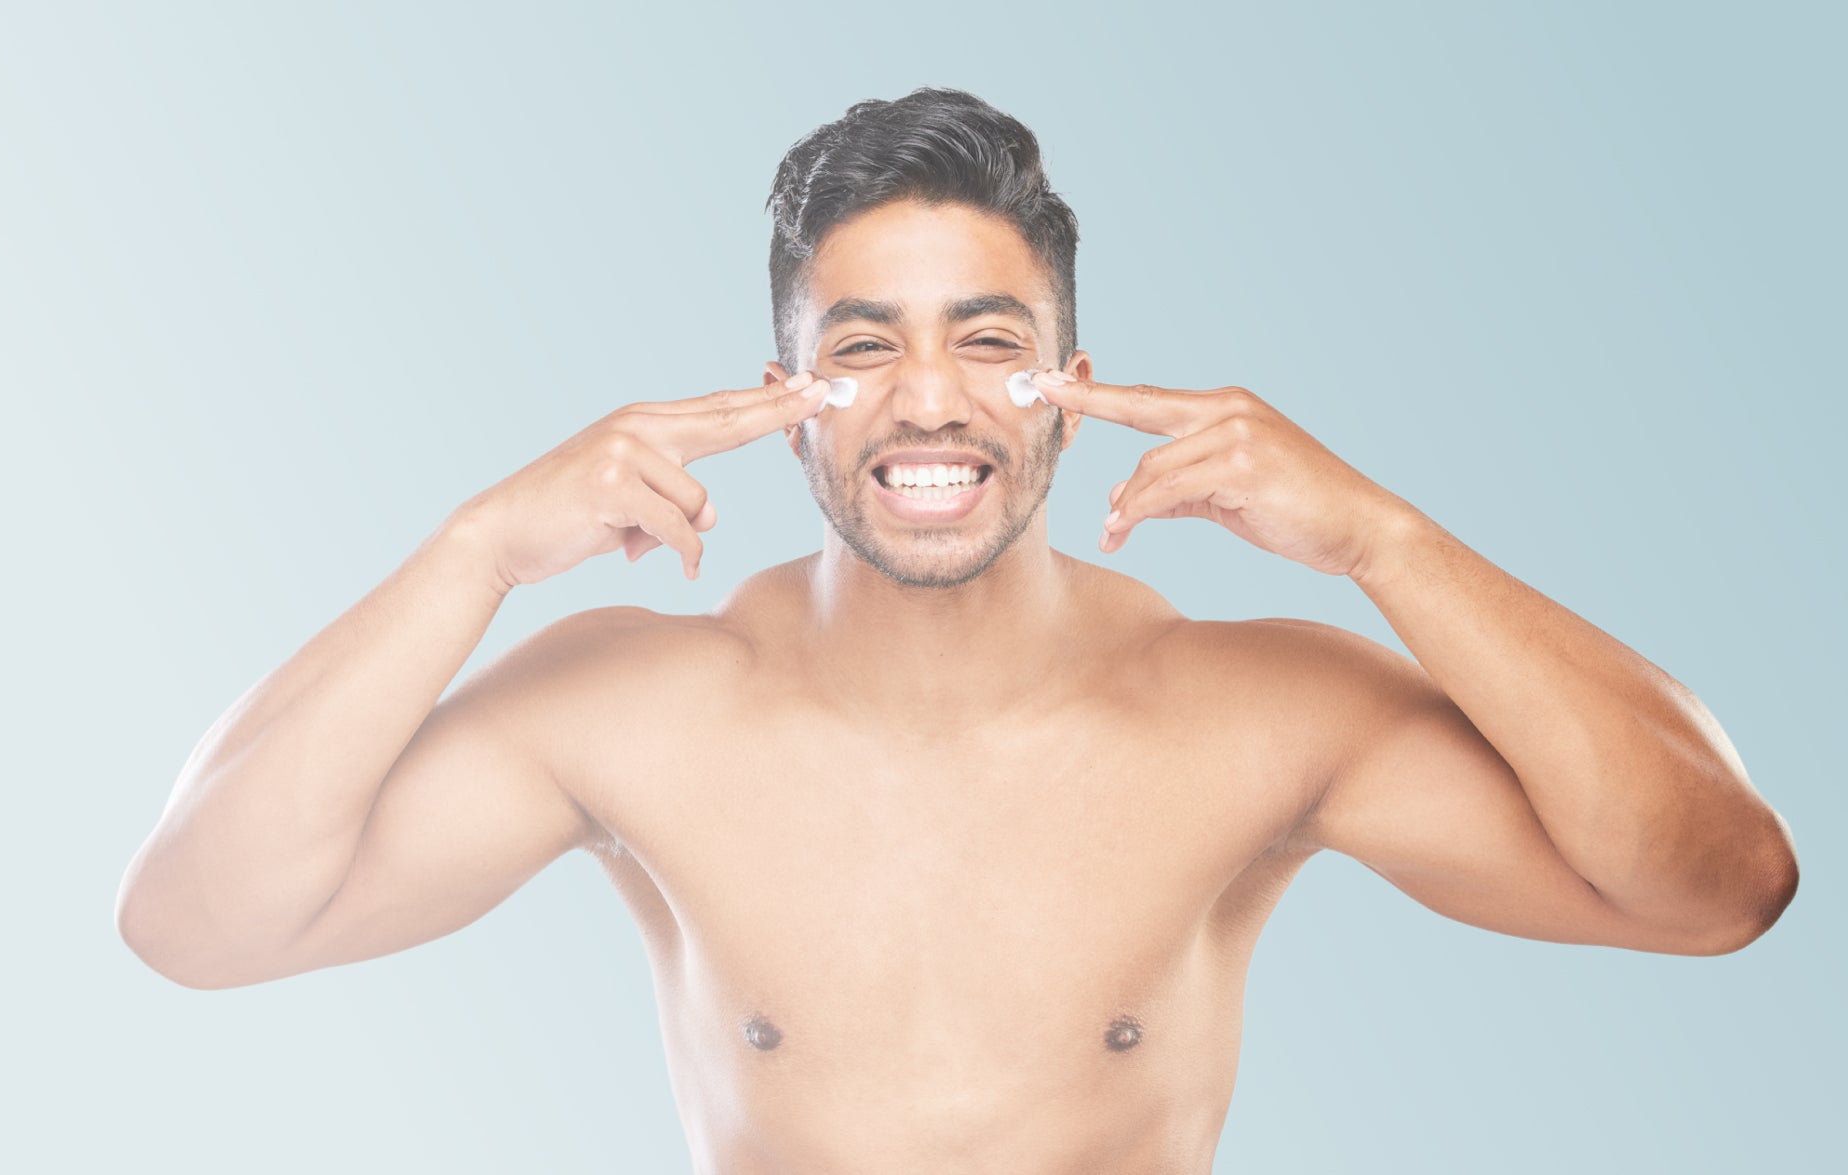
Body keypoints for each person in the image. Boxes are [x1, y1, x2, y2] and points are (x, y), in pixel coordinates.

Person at [116, 87, 1799, 1172]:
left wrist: (1384, 539)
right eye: (861, 349)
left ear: (1073, 378)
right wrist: (474, 549)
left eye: (992, 340)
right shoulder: (629, 706)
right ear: (785, 394)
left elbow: (1718, 890)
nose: (930, 404)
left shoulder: (1259, 709)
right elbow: (200, 922)